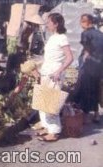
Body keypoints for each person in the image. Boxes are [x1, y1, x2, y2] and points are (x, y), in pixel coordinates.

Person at [34, 13, 73, 142]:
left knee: (51, 104)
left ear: (56, 24)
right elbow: (49, 58)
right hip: (46, 73)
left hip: (54, 75)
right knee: (43, 102)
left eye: (49, 22)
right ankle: (47, 127)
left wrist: (58, 71)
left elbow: (69, 58)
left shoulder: (62, 38)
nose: (47, 24)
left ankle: (54, 132)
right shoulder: (52, 37)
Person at [73, 14, 103, 123]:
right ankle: (96, 114)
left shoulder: (85, 33)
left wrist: (83, 62)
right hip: (99, 66)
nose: (80, 24)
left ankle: (84, 116)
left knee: (85, 89)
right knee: (96, 89)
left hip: (89, 65)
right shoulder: (100, 33)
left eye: (81, 22)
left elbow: (87, 50)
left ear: (87, 22)